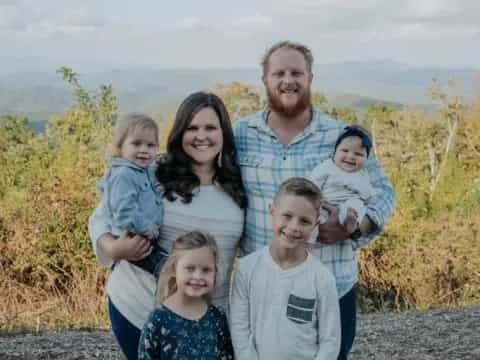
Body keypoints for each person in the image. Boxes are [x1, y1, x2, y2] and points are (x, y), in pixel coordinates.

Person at [233, 41, 395, 360]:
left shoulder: (341, 137)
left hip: (330, 283)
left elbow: (384, 192)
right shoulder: (241, 133)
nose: (288, 80)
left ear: (310, 78)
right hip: (261, 285)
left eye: (297, 72)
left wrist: (354, 227)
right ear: (265, 79)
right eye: (278, 72)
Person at [89, 92, 246, 360]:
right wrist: (114, 248)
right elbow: (101, 216)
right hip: (139, 306)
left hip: (208, 318)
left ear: (224, 133)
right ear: (179, 132)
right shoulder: (155, 171)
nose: (201, 136)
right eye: (192, 128)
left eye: (210, 127)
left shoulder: (238, 184)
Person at [230, 177, 341, 360]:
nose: (293, 227)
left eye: (304, 221)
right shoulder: (246, 268)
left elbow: (330, 340)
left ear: (315, 224)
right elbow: (239, 328)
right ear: (272, 211)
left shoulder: (321, 278)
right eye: (287, 216)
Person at [138, 231, 234, 359]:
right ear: (174, 269)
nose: (198, 276)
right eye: (190, 268)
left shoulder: (217, 319)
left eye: (206, 270)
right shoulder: (159, 319)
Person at [96, 113, 167, 278]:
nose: (144, 150)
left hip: (144, 237)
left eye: (150, 145)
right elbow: (124, 212)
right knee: (167, 271)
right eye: (136, 144)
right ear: (120, 147)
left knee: (171, 266)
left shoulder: (142, 170)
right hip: (133, 239)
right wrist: (147, 228)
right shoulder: (123, 175)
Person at [309, 125, 374, 236]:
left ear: (366, 158)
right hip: (325, 204)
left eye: (358, 154)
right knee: (313, 214)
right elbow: (312, 183)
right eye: (345, 150)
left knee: (357, 205)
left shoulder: (363, 173)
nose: (351, 156)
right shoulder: (327, 166)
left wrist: (365, 195)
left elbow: (368, 194)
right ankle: (310, 237)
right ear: (335, 151)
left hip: (348, 207)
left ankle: (351, 223)